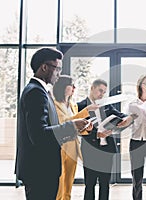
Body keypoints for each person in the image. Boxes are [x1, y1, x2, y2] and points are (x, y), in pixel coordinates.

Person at [14, 47, 91, 200]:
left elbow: (51, 127)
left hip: (42, 168)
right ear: (44, 67)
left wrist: (76, 128)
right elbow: (39, 134)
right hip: (40, 169)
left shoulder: (40, 91)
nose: (59, 74)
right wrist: (72, 125)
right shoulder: (36, 93)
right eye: (57, 69)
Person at [77, 79, 134, 200]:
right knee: (90, 184)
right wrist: (97, 135)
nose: (102, 94)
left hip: (107, 150)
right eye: (100, 91)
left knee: (105, 185)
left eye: (104, 92)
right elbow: (79, 130)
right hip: (90, 150)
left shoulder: (106, 104)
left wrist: (127, 118)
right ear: (92, 88)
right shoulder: (81, 106)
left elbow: (119, 115)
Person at [53, 75, 98, 200]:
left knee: (68, 184)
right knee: (59, 184)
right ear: (62, 87)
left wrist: (86, 129)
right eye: (71, 85)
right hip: (61, 147)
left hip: (73, 148)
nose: (74, 88)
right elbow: (64, 124)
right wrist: (86, 111)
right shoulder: (54, 104)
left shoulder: (72, 105)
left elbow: (75, 127)